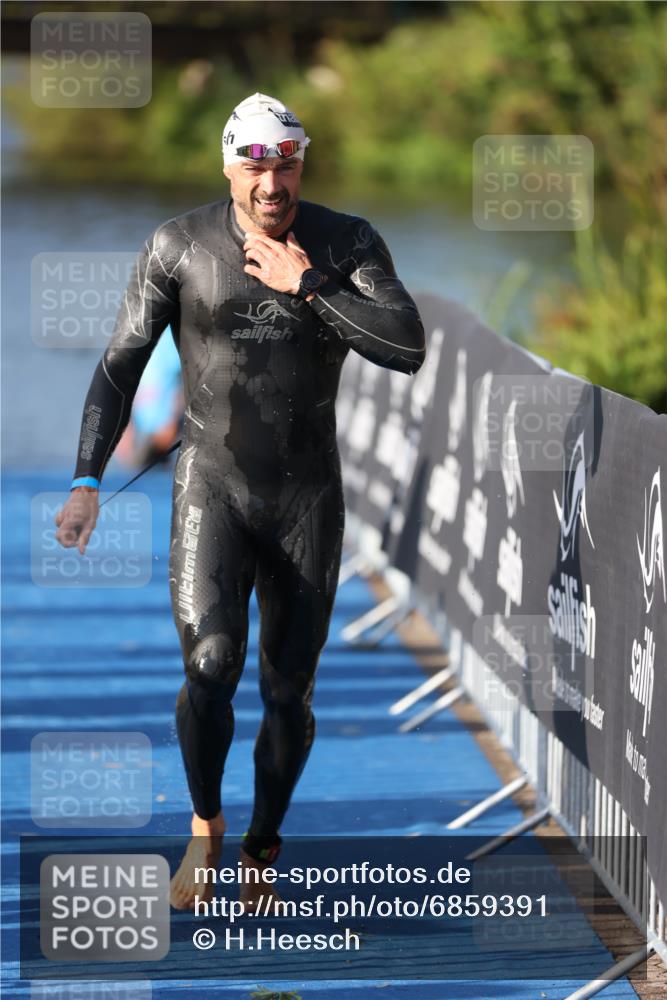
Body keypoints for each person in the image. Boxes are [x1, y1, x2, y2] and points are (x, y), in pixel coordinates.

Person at [54, 92, 426, 911]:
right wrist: (86, 480)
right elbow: (120, 364)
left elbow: (406, 347)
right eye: (255, 168)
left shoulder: (345, 242)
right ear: (229, 168)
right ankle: (206, 827)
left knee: (289, 689)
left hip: (305, 497)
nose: (271, 185)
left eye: (285, 166)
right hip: (211, 487)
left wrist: (309, 284)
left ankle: (261, 848)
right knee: (210, 663)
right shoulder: (178, 245)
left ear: (301, 165)